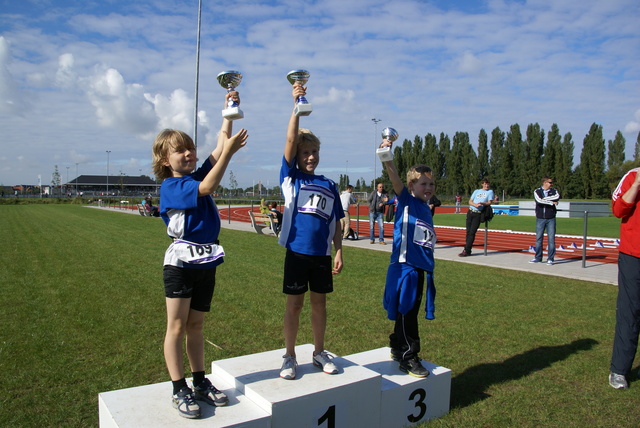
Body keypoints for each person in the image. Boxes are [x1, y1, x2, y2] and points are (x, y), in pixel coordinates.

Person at [151, 91, 248, 419]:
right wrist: (229, 155)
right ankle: (179, 388)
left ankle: (199, 380)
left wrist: (229, 110)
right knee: (176, 327)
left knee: (197, 325)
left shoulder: (194, 174)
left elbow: (219, 146)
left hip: (206, 260)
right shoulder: (171, 186)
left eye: (190, 148)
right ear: (166, 160)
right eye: (180, 150)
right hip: (179, 265)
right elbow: (209, 185)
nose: (188, 153)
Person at [278, 82, 344, 380]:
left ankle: (318, 352)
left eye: (314, 151)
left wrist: (339, 250)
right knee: (294, 305)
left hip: (321, 256)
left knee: (320, 305)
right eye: (305, 152)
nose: (310, 157)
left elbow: (336, 223)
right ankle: (289, 356)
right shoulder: (291, 179)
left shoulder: (329, 184)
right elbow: (291, 139)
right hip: (297, 252)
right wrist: (297, 106)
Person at [378, 138, 436, 378]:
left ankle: (396, 345)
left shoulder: (426, 207)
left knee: (406, 311)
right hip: (406, 268)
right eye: (423, 183)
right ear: (412, 185)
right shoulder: (407, 200)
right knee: (408, 313)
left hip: (420, 267)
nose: (429, 187)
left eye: (432, 183)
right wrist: (386, 154)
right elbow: (393, 176)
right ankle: (409, 356)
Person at [608, 167, 640, 389]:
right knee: (630, 312)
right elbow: (618, 209)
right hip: (633, 256)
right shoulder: (632, 175)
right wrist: (637, 184)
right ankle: (619, 370)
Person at [459, 178, 494, 257]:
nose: (486, 186)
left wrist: (482, 203)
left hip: (478, 214)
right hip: (470, 212)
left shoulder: (490, 192)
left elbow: (489, 202)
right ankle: (468, 249)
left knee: (472, 232)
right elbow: (470, 201)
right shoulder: (476, 191)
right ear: (482, 184)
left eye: (488, 184)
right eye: (485, 184)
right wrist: (474, 204)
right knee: (468, 232)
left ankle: (466, 250)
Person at [529, 177, 560, 265]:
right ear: (545, 182)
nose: (552, 184)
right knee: (539, 238)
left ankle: (550, 258)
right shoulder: (537, 191)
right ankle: (538, 257)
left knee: (551, 239)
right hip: (540, 218)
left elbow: (557, 197)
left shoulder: (554, 191)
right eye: (550, 182)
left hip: (551, 218)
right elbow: (539, 201)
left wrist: (544, 199)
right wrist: (551, 202)